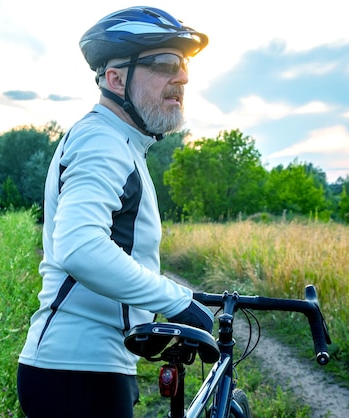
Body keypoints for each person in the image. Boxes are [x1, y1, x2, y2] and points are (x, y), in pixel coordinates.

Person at [17, 6, 213, 418]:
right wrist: (175, 299)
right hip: (77, 371)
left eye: (184, 65)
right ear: (115, 78)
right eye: (164, 63)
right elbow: (79, 245)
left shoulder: (122, 143)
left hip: (89, 369)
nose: (182, 77)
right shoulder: (102, 140)